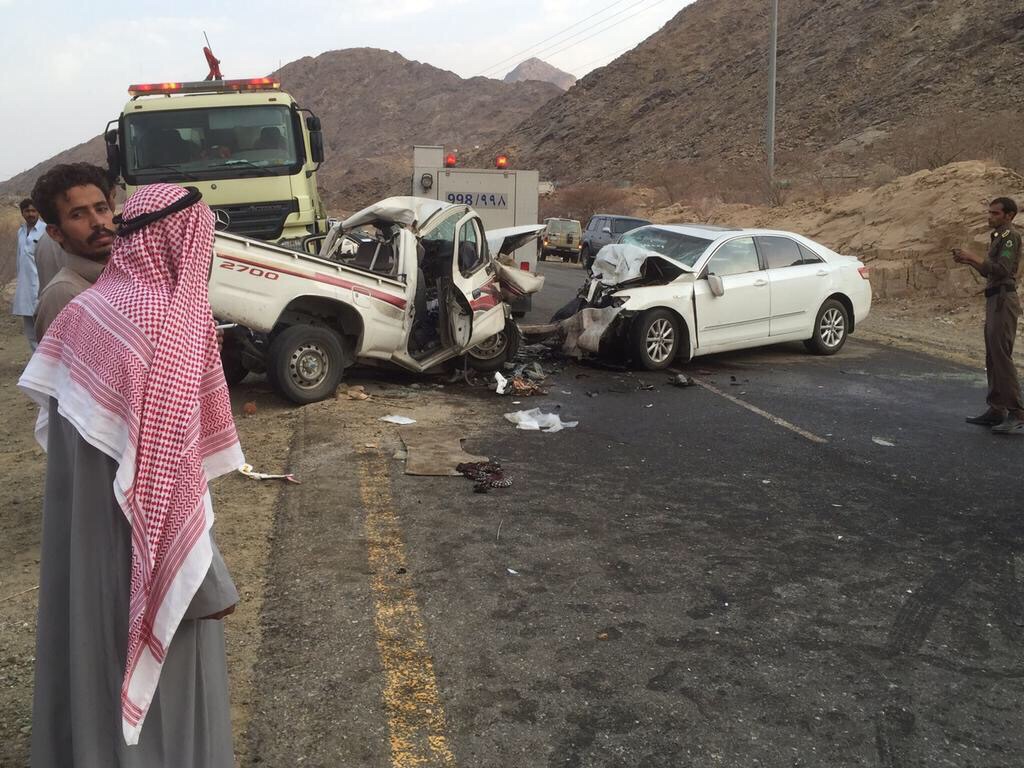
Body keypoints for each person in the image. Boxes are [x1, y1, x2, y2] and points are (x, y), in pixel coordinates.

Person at [18, 183, 244, 766]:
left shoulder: (85, 312)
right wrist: (209, 582)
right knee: (166, 696)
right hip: (139, 549)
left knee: (90, 659)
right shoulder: (167, 330)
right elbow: (170, 485)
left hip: (83, 536)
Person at [953, 196, 1024, 435]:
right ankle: (997, 408)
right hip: (994, 298)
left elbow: (1003, 270)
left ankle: (1017, 412)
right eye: (990, 212)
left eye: (995, 213)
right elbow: (989, 272)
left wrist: (973, 256)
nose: (990, 216)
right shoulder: (998, 236)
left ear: (1009, 215)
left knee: (1001, 356)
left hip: (1003, 300)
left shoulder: (1010, 237)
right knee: (993, 356)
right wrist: (968, 261)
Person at [29, 163, 117, 338]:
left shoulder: (124, 276)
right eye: (78, 215)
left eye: (101, 209)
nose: (98, 222)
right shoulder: (63, 295)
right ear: (55, 232)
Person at [12, 198, 46, 350]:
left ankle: (46, 360)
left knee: (44, 330)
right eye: (27, 211)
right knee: (31, 333)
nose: (30, 214)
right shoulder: (20, 231)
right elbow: (20, 261)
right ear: (22, 213)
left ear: (38, 212)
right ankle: (35, 359)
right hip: (24, 289)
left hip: (41, 286)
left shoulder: (46, 231)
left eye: (33, 210)